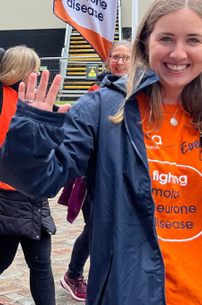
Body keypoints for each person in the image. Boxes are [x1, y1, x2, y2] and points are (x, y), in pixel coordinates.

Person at [0, 0, 202, 304]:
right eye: (166, 38)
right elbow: (37, 181)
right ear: (146, 42)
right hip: (132, 293)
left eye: (193, 40)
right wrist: (30, 130)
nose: (179, 53)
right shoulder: (104, 107)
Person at [0, 46, 56, 305]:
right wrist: (12, 52)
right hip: (1, 193)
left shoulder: (36, 101)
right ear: (19, 70)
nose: (37, 73)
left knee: (41, 264)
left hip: (33, 192)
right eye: (33, 68)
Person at [58, 39, 132, 302]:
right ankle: (73, 274)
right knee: (95, 230)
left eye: (126, 57)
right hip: (97, 177)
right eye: (116, 57)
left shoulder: (140, 93)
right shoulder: (96, 92)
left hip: (126, 176)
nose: (120, 62)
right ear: (108, 60)